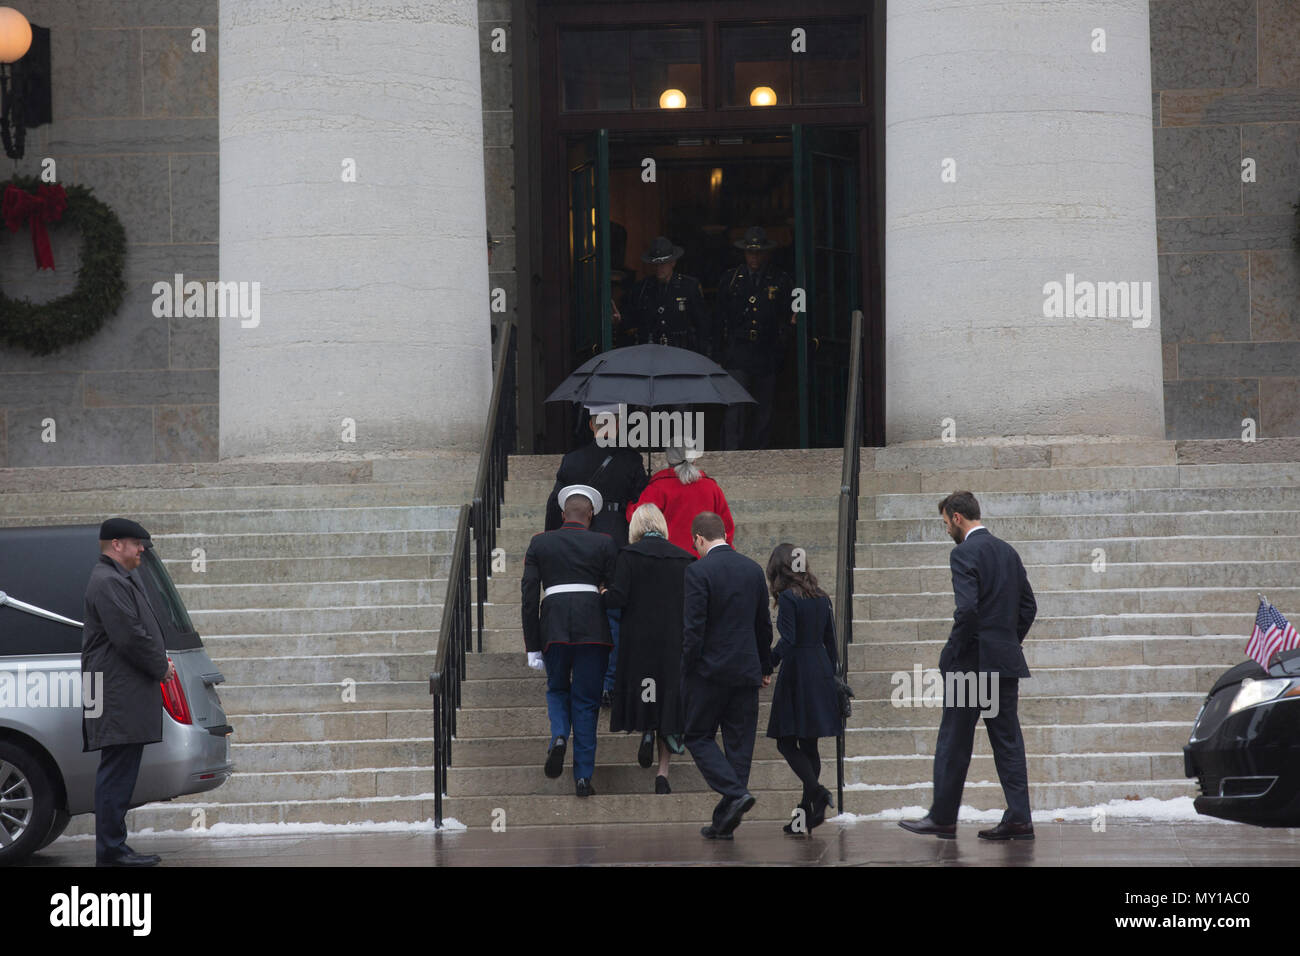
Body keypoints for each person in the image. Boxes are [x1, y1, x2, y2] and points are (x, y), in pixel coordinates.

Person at [900, 491, 1037, 840]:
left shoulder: (963, 553)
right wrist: (1007, 641)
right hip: (1003, 663)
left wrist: (951, 653)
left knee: (954, 740)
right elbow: (1028, 607)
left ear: (958, 517)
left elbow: (968, 610)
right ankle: (1020, 817)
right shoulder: (1008, 551)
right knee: (1007, 741)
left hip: (972, 664)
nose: (946, 529)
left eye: (946, 523)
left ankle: (943, 817)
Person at [82, 517, 173, 867]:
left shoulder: (115, 579)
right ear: (117, 544)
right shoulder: (107, 581)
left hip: (119, 691)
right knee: (116, 773)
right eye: (137, 544)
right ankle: (111, 851)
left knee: (119, 771)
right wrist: (161, 666)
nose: (142, 550)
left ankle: (115, 847)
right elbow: (130, 636)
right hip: (115, 693)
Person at [544, 404, 648, 708]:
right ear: (615, 425)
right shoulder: (631, 459)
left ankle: (584, 675)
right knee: (613, 611)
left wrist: (553, 542)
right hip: (617, 541)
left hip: (579, 541)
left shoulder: (572, 460)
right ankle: (609, 682)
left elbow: (555, 507)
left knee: (585, 610)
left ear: (591, 426)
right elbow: (641, 505)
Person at [681, 512, 773, 839]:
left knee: (696, 736)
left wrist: (686, 669)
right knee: (739, 745)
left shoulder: (697, 571)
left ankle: (734, 797)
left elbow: (693, 630)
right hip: (746, 671)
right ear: (723, 534)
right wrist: (765, 666)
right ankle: (725, 821)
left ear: (699, 539)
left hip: (710, 673)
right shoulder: (752, 569)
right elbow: (764, 625)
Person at [521, 485, 618, 797]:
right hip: (593, 631)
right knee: (587, 702)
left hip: (554, 628)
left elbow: (527, 596)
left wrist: (532, 645)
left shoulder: (540, 542)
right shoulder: (605, 543)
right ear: (590, 516)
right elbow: (614, 593)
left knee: (557, 689)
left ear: (563, 515)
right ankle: (583, 778)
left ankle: (560, 735)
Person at [601, 503, 696, 793]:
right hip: (672, 642)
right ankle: (663, 774)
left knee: (647, 691)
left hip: (638, 642)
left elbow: (618, 599)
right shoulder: (685, 559)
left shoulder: (627, 556)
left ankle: (645, 732)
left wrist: (603, 592)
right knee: (668, 703)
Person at [764, 543, 842, 834]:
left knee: (785, 741)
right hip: (819, 671)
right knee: (809, 745)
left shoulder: (787, 597)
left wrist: (767, 663)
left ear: (778, 569)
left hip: (797, 672)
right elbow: (831, 642)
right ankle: (804, 815)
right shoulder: (821, 596)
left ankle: (818, 793)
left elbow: (788, 639)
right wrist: (832, 676)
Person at [717, 227, 795, 450]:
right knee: (736, 406)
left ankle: (759, 453)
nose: (754, 257)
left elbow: (787, 317)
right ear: (744, 253)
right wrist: (718, 354)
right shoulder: (732, 279)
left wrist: (781, 347)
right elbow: (718, 317)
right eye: (750, 253)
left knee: (764, 409)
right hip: (738, 352)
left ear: (766, 253)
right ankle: (731, 453)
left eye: (758, 253)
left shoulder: (779, 280)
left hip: (765, 351)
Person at [628, 444, 734, 556]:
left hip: (668, 560)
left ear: (668, 460)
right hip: (704, 561)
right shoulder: (711, 487)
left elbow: (638, 519)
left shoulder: (658, 487)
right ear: (694, 460)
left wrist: (628, 504)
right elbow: (726, 529)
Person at [615, 236, 710, 355]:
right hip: (651, 353)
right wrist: (620, 319)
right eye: (655, 264)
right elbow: (632, 319)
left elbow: (702, 324)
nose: (659, 268)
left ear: (673, 263)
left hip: (683, 352)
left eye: (663, 264)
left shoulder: (689, 286)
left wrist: (703, 356)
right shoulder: (642, 288)